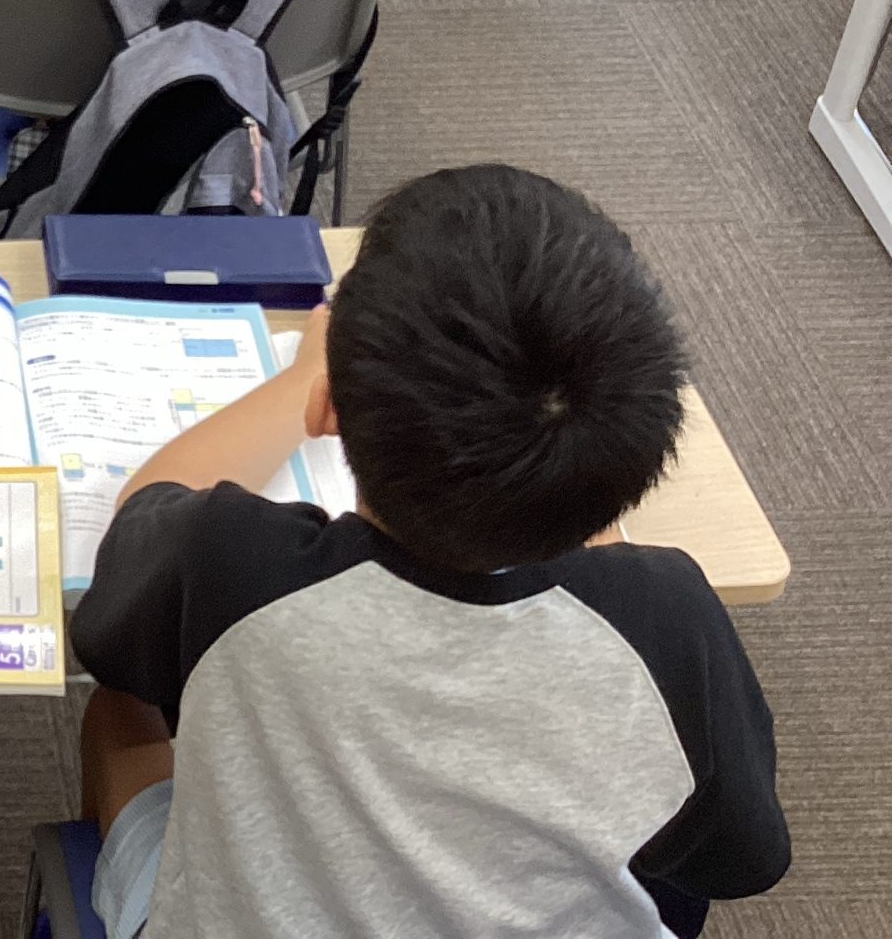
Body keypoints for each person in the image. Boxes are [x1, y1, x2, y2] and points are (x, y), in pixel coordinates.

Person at [68, 165, 790, 938]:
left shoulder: (228, 562)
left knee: (121, 706)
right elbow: (741, 859)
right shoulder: (667, 618)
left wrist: (304, 378)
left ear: (331, 409)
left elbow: (136, 536)